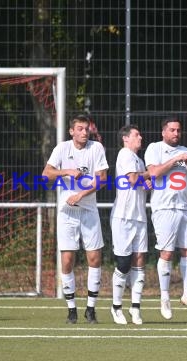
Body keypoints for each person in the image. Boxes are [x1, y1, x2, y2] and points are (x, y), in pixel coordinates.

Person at [42, 114, 109, 324]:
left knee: (94, 258)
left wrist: (80, 195)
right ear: (72, 131)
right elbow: (46, 174)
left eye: (86, 128)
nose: (84, 132)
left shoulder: (96, 148)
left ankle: (91, 309)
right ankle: (71, 309)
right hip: (67, 213)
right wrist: (66, 171)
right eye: (79, 128)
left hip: (88, 211)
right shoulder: (62, 149)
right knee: (67, 260)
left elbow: (103, 180)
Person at [144, 116, 187, 319]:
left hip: (184, 207)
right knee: (167, 253)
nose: (176, 133)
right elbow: (154, 173)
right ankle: (165, 298)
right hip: (164, 207)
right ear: (164, 132)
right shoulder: (154, 148)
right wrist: (175, 159)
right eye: (172, 130)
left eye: (178, 130)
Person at [110, 124, 150, 325]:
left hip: (139, 216)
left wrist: (147, 183)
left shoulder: (139, 160)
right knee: (124, 263)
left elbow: (141, 184)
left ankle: (135, 308)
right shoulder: (124, 154)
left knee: (140, 260)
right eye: (136, 134)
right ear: (126, 138)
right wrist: (151, 174)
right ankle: (116, 307)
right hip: (123, 217)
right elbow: (134, 179)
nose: (140, 137)